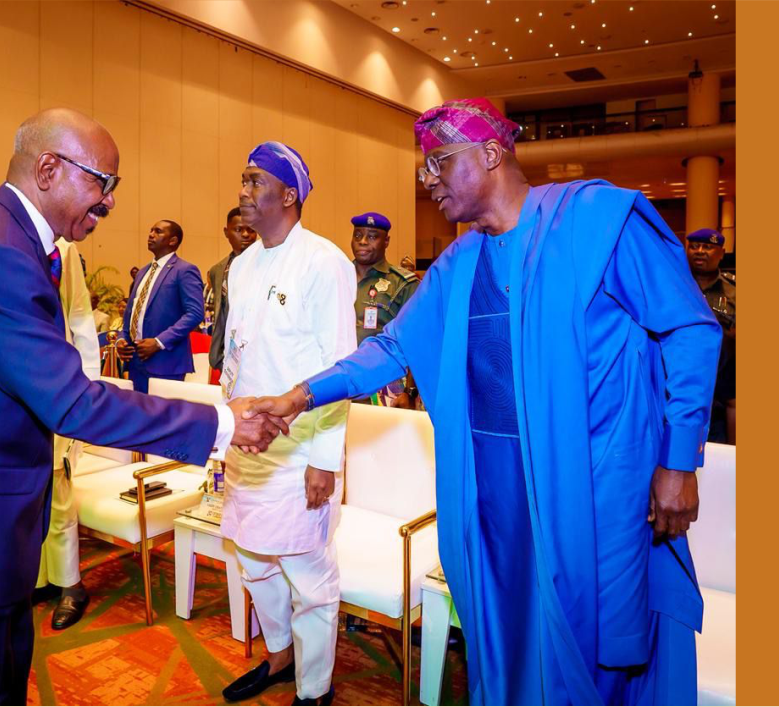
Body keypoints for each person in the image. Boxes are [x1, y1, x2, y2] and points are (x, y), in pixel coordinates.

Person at [246, 98, 722, 706]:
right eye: (426, 168)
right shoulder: (460, 261)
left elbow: (690, 330)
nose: (429, 180)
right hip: (495, 496)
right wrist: (300, 395)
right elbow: (392, 347)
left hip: (595, 488)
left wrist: (680, 462)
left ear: (492, 154)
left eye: (440, 163)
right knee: (511, 640)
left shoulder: (600, 221)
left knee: (596, 644)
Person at [0, 108, 289, 707]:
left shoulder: (3, 238)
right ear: (49, 168)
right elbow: (70, 402)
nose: (112, 203)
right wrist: (223, 423)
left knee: (1, 679)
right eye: (104, 183)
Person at [219, 141, 355, 707]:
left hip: (302, 451)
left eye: (255, 182)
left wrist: (325, 459)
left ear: (289, 195)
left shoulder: (325, 263)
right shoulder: (243, 264)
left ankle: (315, 687)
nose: (243, 192)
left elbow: (341, 369)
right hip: (248, 446)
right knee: (252, 559)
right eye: (243, 180)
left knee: (309, 577)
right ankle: (279, 656)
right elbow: (236, 352)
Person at [36, 237, 100, 630]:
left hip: (56, 386)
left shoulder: (62, 249)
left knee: (60, 491)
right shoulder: (4, 238)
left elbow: (80, 317)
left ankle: (71, 585)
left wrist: (87, 392)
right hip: (10, 388)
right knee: (28, 492)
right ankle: (41, 578)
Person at [115, 220, 205, 393]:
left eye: (158, 231)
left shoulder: (184, 270)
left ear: (173, 241)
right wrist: (121, 339)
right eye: (150, 230)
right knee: (139, 416)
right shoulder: (143, 272)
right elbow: (132, 313)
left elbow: (195, 313)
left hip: (166, 361)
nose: (151, 234)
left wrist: (158, 342)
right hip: (135, 361)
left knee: (164, 419)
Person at [348, 211, 420, 408]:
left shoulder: (402, 284)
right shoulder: (337, 275)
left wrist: (410, 392)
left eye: (372, 236)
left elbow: (416, 341)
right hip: (339, 383)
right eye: (357, 235)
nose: (362, 241)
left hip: (383, 388)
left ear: (386, 241)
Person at [686, 228, 736, 443]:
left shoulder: (734, 291)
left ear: (722, 253)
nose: (700, 251)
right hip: (681, 385)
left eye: (707, 247)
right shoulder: (676, 287)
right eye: (694, 246)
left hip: (722, 392)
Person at [206, 207, 258, 376]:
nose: (245, 234)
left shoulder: (265, 265)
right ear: (226, 232)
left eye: (251, 229)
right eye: (238, 229)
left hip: (255, 353)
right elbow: (220, 312)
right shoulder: (217, 270)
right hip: (226, 354)